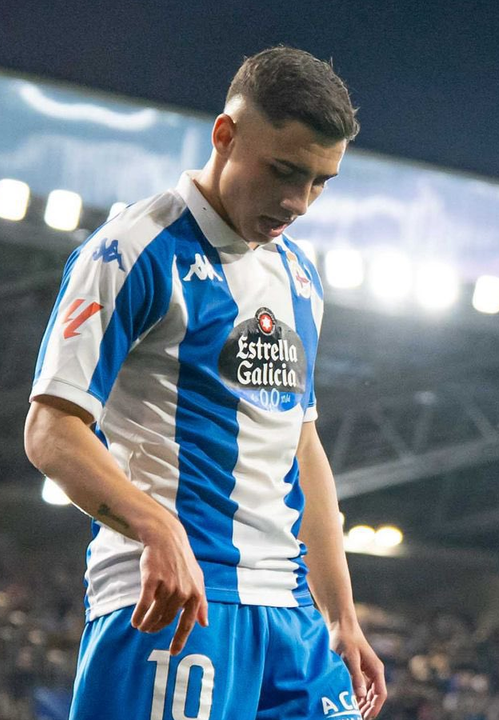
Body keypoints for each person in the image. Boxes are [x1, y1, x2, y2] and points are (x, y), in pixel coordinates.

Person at [24, 46, 387, 719]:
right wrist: (154, 525)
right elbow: (51, 429)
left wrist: (341, 614)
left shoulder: (299, 276)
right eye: (284, 171)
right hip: (176, 604)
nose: (298, 202)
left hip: (290, 612)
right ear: (225, 135)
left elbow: (301, 446)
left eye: (320, 182)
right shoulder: (133, 250)